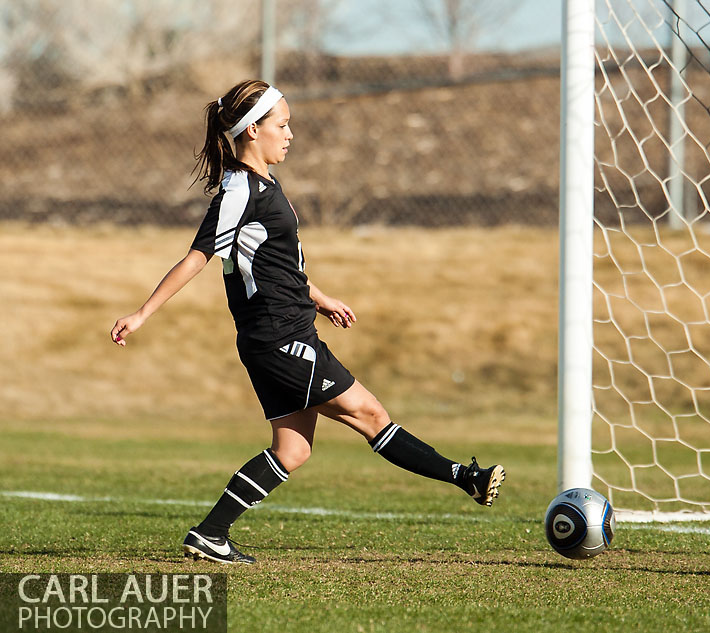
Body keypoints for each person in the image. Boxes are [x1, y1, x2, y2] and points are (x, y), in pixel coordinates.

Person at [110, 79, 505, 565]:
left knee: (292, 452)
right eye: (282, 124)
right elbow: (199, 255)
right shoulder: (240, 189)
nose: (290, 133)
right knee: (371, 414)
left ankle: (211, 534)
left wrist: (319, 298)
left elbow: (276, 263)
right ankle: (466, 478)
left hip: (280, 332)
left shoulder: (263, 185)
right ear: (253, 131)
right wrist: (143, 313)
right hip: (279, 337)